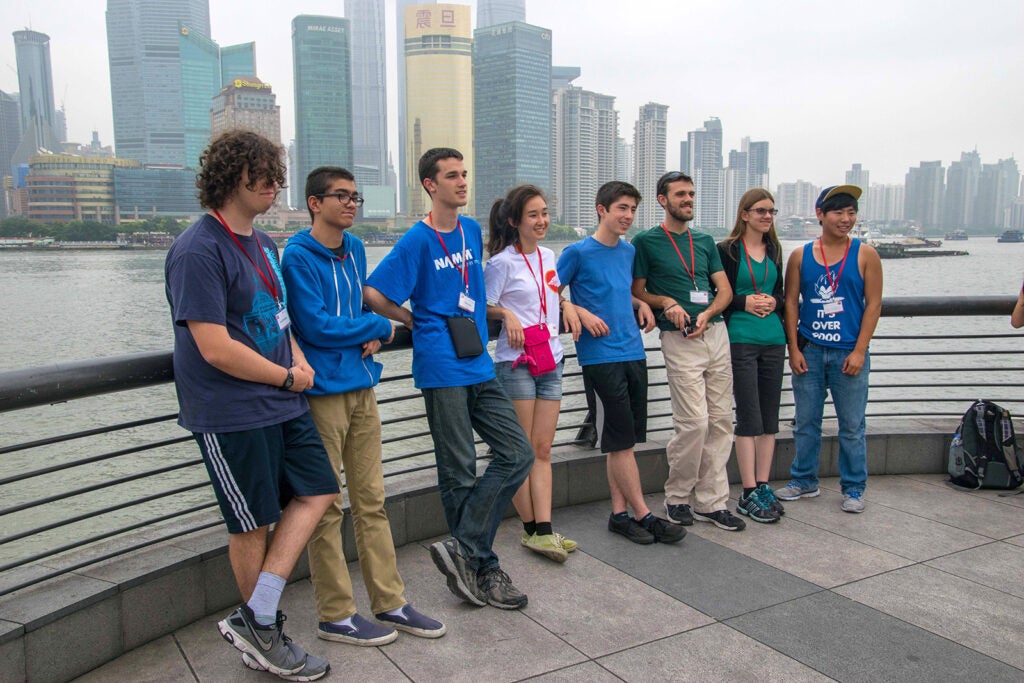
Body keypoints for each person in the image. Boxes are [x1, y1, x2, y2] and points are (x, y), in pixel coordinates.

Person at [164, 130, 335, 681]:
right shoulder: (197, 249)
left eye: (276, 173)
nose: (273, 184)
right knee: (251, 523)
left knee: (319, 490)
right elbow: (214, 347)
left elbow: (278, 319)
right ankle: (262, 628)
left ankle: (256, 615)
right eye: (260, 174)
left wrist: (300, 361)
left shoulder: (265, 245)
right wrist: (289, 377)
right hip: (231, 410)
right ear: (230, 176)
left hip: (283, 400)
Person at [280, 166, 446, 647]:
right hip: (322, 395)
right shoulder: (297, 257)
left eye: (356, 197)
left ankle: (389, 601)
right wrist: (376, 329)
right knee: (326, 506)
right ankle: (335, 614)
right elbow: (314, 326)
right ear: (315, 202)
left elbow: (356, 310)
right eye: (342, 196)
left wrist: (370, 326)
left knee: (372, 500)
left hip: (361, 386)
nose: (352, 204)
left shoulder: (353, 249)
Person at [363, 148, 534, 610]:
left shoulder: (472, 230)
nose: (462, 182)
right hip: (441, 365)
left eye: (464, 174)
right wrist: (410, 319)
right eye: (452, 176)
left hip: (478, 361)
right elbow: (374, 292)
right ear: (429, 185)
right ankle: (483, 568)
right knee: (458, 470)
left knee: (518, 453)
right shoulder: (417, 241)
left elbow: (475, 293)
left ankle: (466, 548)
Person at [557, 180, 685, 545]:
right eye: (621, 209)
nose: (628, 216)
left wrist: (641, 303)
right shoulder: (577, 252)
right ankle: (644, 513)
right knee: (621, 443)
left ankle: (619, 514)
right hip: (599, 357)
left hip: (633, 351)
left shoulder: (628, 253)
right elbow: (548, 293)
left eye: (632, 209)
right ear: (602, 209)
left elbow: (623, 292)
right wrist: (573, 307)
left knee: (621, 442)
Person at [632, 171, 746, 532]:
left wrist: (709, 313)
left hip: (715, 334)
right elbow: (637, 290)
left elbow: (724, 291)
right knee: (694, 423)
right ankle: (678, 496)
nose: (688, 200)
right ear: (662, 200)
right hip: (679, 339)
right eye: (680, 194)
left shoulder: (705, 241)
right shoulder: (646, 242)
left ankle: (712, 502)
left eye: (691, 194)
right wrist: (666, 302)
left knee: (721, 421)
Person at [484, 185, 581, 563]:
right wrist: (506, 314)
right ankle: (532, 531)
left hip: (552, 359)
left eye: (544, 213)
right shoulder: (501, 263)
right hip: (517, 363)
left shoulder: (550, 255)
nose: (542, 221)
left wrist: (568, 303)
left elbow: (552, 291)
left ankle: (545, 528)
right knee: (522, 451)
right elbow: (484, 306)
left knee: (542, 449)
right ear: (514, 222)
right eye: (533, 215)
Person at [775, 185, 883, 513]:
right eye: (838, 212)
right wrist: (793, 348)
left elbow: (874, 304)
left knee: (852, 425)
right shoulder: (800, 256)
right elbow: (791, 302)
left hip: (848, 352)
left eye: (851, 212)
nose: (846, 219)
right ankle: (804, 480)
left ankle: (854, 488)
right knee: (806, 421)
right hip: (809, 349)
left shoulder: (865, 254)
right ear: (820, 214)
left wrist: (860, 350)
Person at [717, 189, 786, 523]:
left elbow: (783, 293)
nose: (767, 217)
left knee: (769, 418)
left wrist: (776, 302)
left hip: (774, 338)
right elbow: (720, 297)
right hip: (741, 338)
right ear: (744, 214)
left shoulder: (774, 250)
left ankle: (763, 485)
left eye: (771, 211)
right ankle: (746, 492)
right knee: (749, 415)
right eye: (760, 211)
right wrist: (744, 302)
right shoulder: (727, 251)